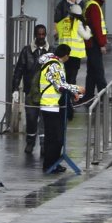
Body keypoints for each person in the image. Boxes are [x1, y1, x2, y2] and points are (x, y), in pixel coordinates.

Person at [37, 44, 81, 174]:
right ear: (66, 55)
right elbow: (60, 86)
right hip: (51, 107)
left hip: (53, 106)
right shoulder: (54, 65)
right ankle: (50, 165)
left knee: (56, 138)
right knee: (55, 139)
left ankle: (54, 164)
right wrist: (77, 89)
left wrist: (73, 93)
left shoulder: (53, 62)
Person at [11, 24, 52, 154]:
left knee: (45, 119)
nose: (41, 37)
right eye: (39, 34)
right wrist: (15, 88)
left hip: (46, 92)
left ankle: (44, 145)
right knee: (31, 118)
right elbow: (18, 70)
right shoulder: (26, 51)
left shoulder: (51, 51)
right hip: (30, 92)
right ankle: (30, 142)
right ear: (35, 35)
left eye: (43, 34)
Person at [83, 0, 108, 103]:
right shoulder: (94, 6)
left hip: (91, 42)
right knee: (98, 70)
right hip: (94, 44)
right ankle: (103, 96)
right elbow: (96, 27)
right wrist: (102, 43)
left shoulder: (93, 5)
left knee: (92, 71)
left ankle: (89, 95)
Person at [54, 4, 87, 86]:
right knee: (72, 79)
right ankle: (70, 96)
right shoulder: (77, 23)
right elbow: (86, 36)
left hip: (62, 54)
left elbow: (56, 35)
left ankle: (64, 96)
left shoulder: (61, 23)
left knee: (64, 77)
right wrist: (88, 29)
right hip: (75, 55)